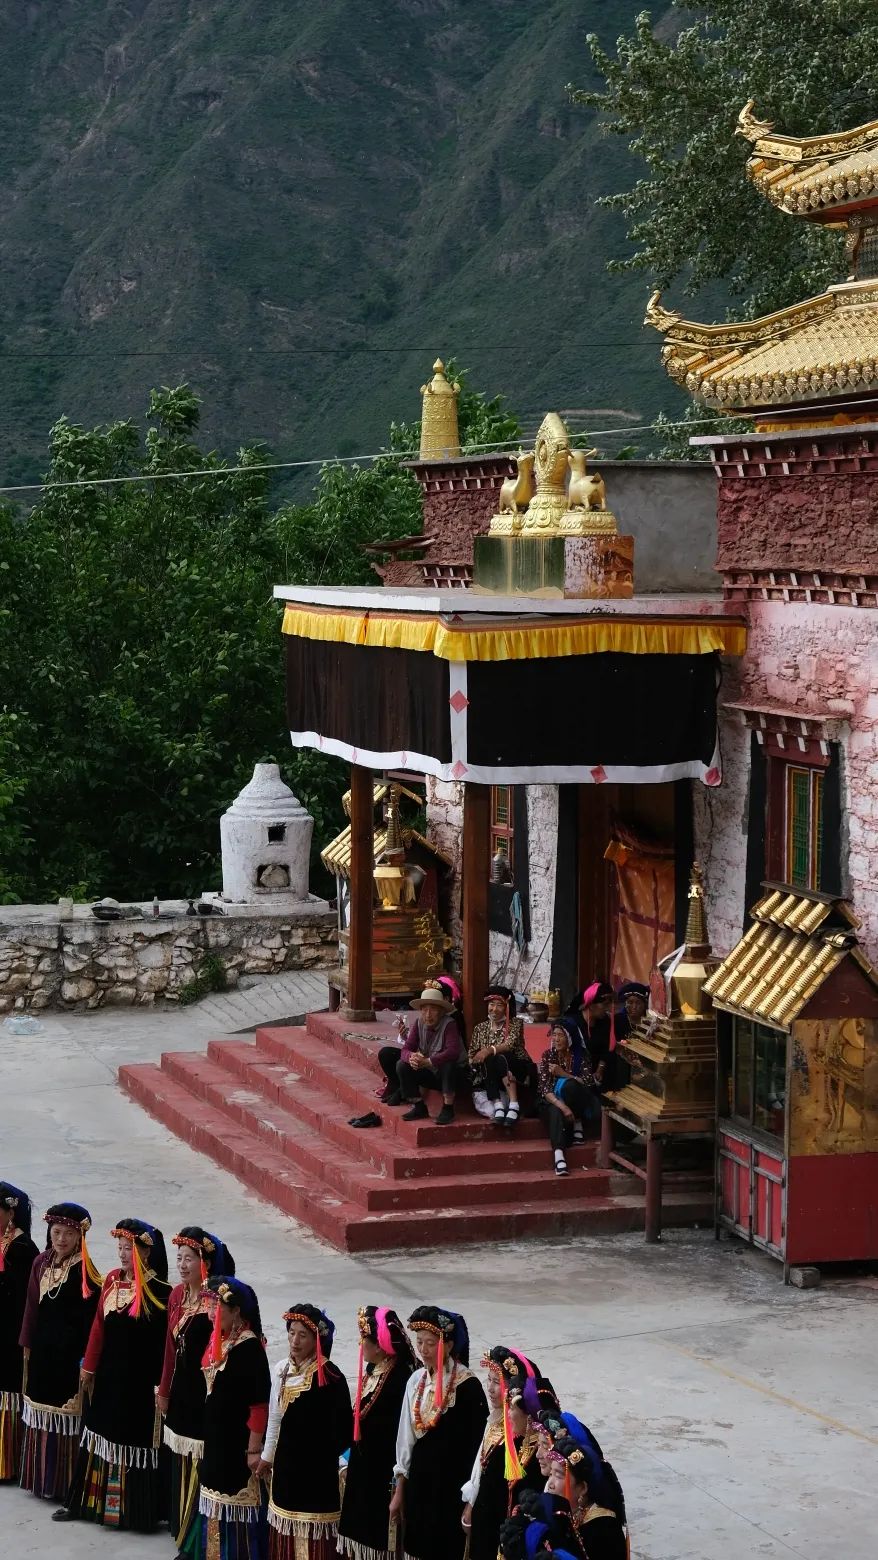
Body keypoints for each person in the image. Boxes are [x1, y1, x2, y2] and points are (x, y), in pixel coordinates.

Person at [54, 1217, 171, 1530]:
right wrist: (88, 1367)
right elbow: (98, 1327)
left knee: (131, 1441)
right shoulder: (111, 1281)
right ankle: (85, 1505)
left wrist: (162, 1386)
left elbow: (164, 1347)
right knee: (98, 1436)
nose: (122, 1254)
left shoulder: (161, 1293)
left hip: (139, 1384)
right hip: (108, 1377)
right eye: (119, 1247)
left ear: (146, 1252)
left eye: (128, 1248)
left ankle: (132, 1514)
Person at [158, 1227, 236, 1558]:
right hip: (180, 1393)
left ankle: (194, 1537)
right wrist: (164, 1389)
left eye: (189, 1259)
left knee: (200, 1464)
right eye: (179, 1258)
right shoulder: (177, 1295)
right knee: (181, 1461)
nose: (182, 1265)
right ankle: (179, 1526)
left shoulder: (215, 1303)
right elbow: (169, 1349)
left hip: (203, 1396)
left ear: (205, 1263)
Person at [18, 1201, 102, 1501]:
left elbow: (91, 1323)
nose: (61, 1239)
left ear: (80, 1237)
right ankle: (39, 1480)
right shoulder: (40, 1263)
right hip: (42, 1351)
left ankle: (63, 1484)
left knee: (65, 1417)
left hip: (69, 1358)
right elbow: (31, 1307)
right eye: (56, 1232)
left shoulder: (87, 1272)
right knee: (40, 1410)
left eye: (68, 1233)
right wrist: (27, 1344)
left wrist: (86, 1362)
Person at [392, 1305, 488, 1560]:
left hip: (451, 1492)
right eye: (419, 1342)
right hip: (419, 1488)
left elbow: (479, 1451)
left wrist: (471, 1501)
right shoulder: (416, 1381)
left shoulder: (468, 1388)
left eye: (430, 1343)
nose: (423, 1350)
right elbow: (405, 1439)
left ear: (448, 1345)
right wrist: (400, 1489)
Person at [259, 1301, 353, 1560]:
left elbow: (342, 1432)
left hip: (317, 1475)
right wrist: (267, 1456)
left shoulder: (331, 1377)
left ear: (316, 1339)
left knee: (315, 1537)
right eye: (291, 1333)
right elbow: (275, 1418)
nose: (295, 1341)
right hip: (286, 1470)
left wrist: (333, 1462)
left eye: (303, 1335)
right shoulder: (281, 1369)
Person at [199, 1276, 272, 1560]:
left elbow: (259, 1406)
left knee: (237, 1509)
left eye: (216, 1308)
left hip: (237, 1445)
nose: (210, 1314)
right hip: (216, 1441)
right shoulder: (219, 1338)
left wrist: (254, 1450)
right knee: (214, 1502)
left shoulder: (250, 1348)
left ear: (236, 1310)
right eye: (208, 1307)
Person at [338, 1306, 416, 1560]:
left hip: (382, 1471)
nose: (360, 1345)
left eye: (365, 1340)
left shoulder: (400, 1378)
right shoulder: (375, 1369)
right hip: (363, 1467)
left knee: (379, 1539)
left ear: (380, 1347)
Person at [461, 1347, 544, 1560]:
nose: (490, 1388)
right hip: (485, 1518)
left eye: (497, 1382)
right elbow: (480, 1467)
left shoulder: (524, 1435)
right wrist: (471, 1503)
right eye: (488, 1380)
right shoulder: (494, 1421)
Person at [383, 980, 464, 1125]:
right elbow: (406, 1049)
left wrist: (429, 1061)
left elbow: (453, 1052)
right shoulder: (419, 1023)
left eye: (433, 1010)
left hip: (451, 1076)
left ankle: (448, 1108)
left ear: (441, 1011)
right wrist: (412, 1057)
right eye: (425, 1010)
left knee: (448, 1064)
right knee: (402, 1064)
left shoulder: (449, 1024)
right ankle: (418, 1105)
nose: (428, 1015)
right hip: (430, 1072)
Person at [0, 1181, 38, 1482]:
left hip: (8, 1332)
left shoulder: (22, 1248)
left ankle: (6, 1462)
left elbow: (22, 1299)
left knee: (7, 1392)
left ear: (10, 1213)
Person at [536, 1020, 599, 1177]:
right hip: (552, 1100)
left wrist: (563, 1074)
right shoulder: (548, 1055)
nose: (556, 1039)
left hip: (576, 1102)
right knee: (555, 1111)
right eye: (554, 1035)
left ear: (570, 1038)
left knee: (570, 1085)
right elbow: (544, 1088)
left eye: (561, 1035)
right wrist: (563, 1107)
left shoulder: (581, 1056)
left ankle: (577, 1121)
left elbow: (588, 1083)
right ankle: (559, 1156)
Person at [467, 986, 537, 1126]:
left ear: (506, 1007)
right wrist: (476, 1060)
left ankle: (514, 1104)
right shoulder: (480, 1028)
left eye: (499, 1005)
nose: (494, 1009)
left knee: (500, 1056)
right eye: (491, 1004)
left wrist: (488, 1050)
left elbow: (509, 1045)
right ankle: (497, 1104)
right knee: (490, 1060)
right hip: (492, 1075)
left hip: (516, 1069)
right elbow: (472, 1053)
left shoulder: (515, 1023)